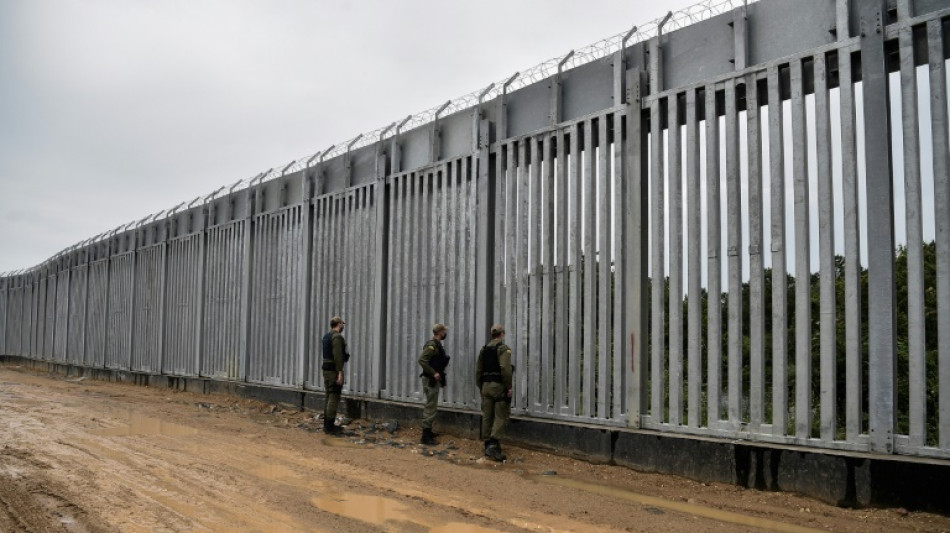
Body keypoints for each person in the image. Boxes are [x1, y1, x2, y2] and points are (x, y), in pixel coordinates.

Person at [475, 324, 512, 461]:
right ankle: (494, 445)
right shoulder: (503, 349)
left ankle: (487, 443)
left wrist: (480, 387)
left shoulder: (483, 350)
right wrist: (509, 386)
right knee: (501, 415)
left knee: (487, 415)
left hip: (485, 386)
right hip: (498, 387)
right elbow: (505, 369)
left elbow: (478, 371)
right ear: (502, 334)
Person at [418, 323, 450, 445]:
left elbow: (438, 364)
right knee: (431, 407)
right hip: (430, 380)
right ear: (440, 332)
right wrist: (433, 373)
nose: (445, 333)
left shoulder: (437, 345)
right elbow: (422, 360)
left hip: (434, 380)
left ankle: (428, 431)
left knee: (432, 405)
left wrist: (441, 379)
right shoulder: (431, 346)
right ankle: (425, 437)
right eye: (444, 331)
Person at [321, 316, 349, 435]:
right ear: (338, 324)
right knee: (334, 397)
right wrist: (340, 373)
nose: (343, 326)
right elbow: (338, 356)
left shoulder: (326, 336)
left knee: (328, 396)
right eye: (342, 323)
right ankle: (330, 427)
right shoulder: (337, 337)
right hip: (333, 371)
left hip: (326, 369)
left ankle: (327, 425)